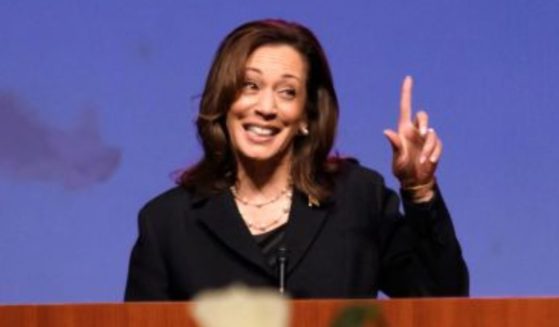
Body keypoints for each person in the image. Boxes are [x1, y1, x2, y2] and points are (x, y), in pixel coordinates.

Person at [124, 19, 468, 301]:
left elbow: (442, 301)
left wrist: (419, 188)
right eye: (250, 86)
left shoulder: (359, 198)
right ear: (224, 101)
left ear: (306, 115)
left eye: (287, 92)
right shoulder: (166, 224)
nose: (267, 108)